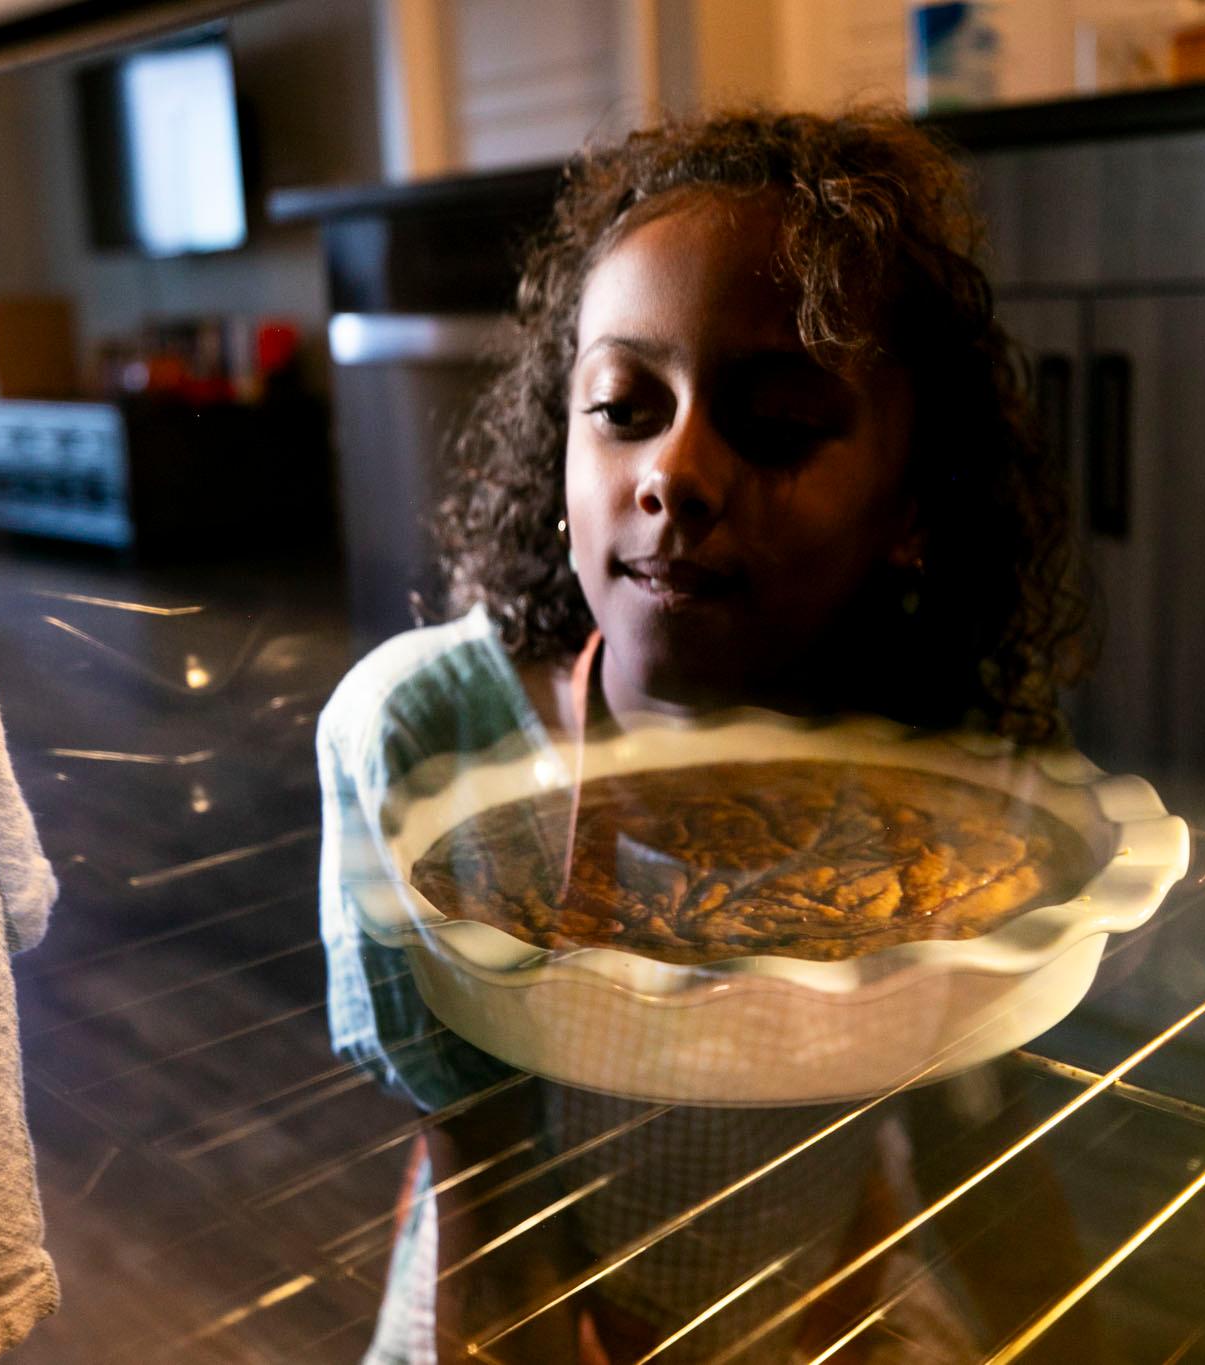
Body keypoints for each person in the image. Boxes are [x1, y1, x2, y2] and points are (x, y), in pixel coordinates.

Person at [318, 108, 1090, 1364]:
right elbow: (493, 1199)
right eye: (623, 406)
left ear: (909, 504)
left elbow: (981, 1155)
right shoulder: (432, 746)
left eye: (777, 426)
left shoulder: (955, 783)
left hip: (823, 1311)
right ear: (556, 447)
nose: (670, 470)